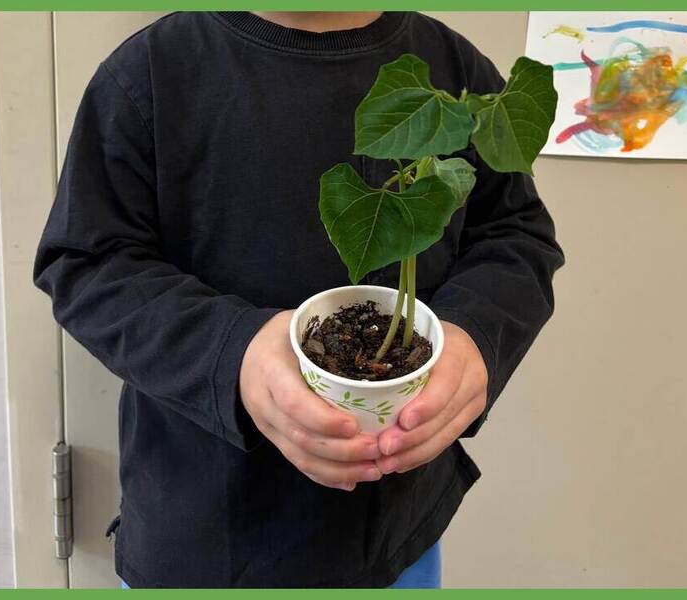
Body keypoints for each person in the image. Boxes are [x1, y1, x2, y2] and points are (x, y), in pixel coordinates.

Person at [33, 11, 564, 588]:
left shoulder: (456, 69)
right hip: (200, 536)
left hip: (393, 536)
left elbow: (515, 234)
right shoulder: (152, 71)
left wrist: (475, 338)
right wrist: (235, 352)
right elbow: (87, 261)